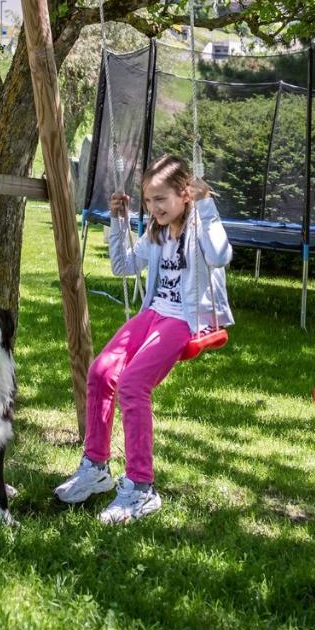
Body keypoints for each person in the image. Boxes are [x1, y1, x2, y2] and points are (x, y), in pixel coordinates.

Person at [54, 154, 233, 523]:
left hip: (185, 319)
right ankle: (96, 467)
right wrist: (120, 222)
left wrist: (208, 204)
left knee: (134, 383)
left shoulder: (201, 226)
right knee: (101, 372)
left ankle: (140, 487)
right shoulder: (156, 232)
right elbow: (123, 266)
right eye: (149, 201)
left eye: (161, 200)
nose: (154, 208)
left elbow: (220, 256)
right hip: (152, 314)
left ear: (185, 195)